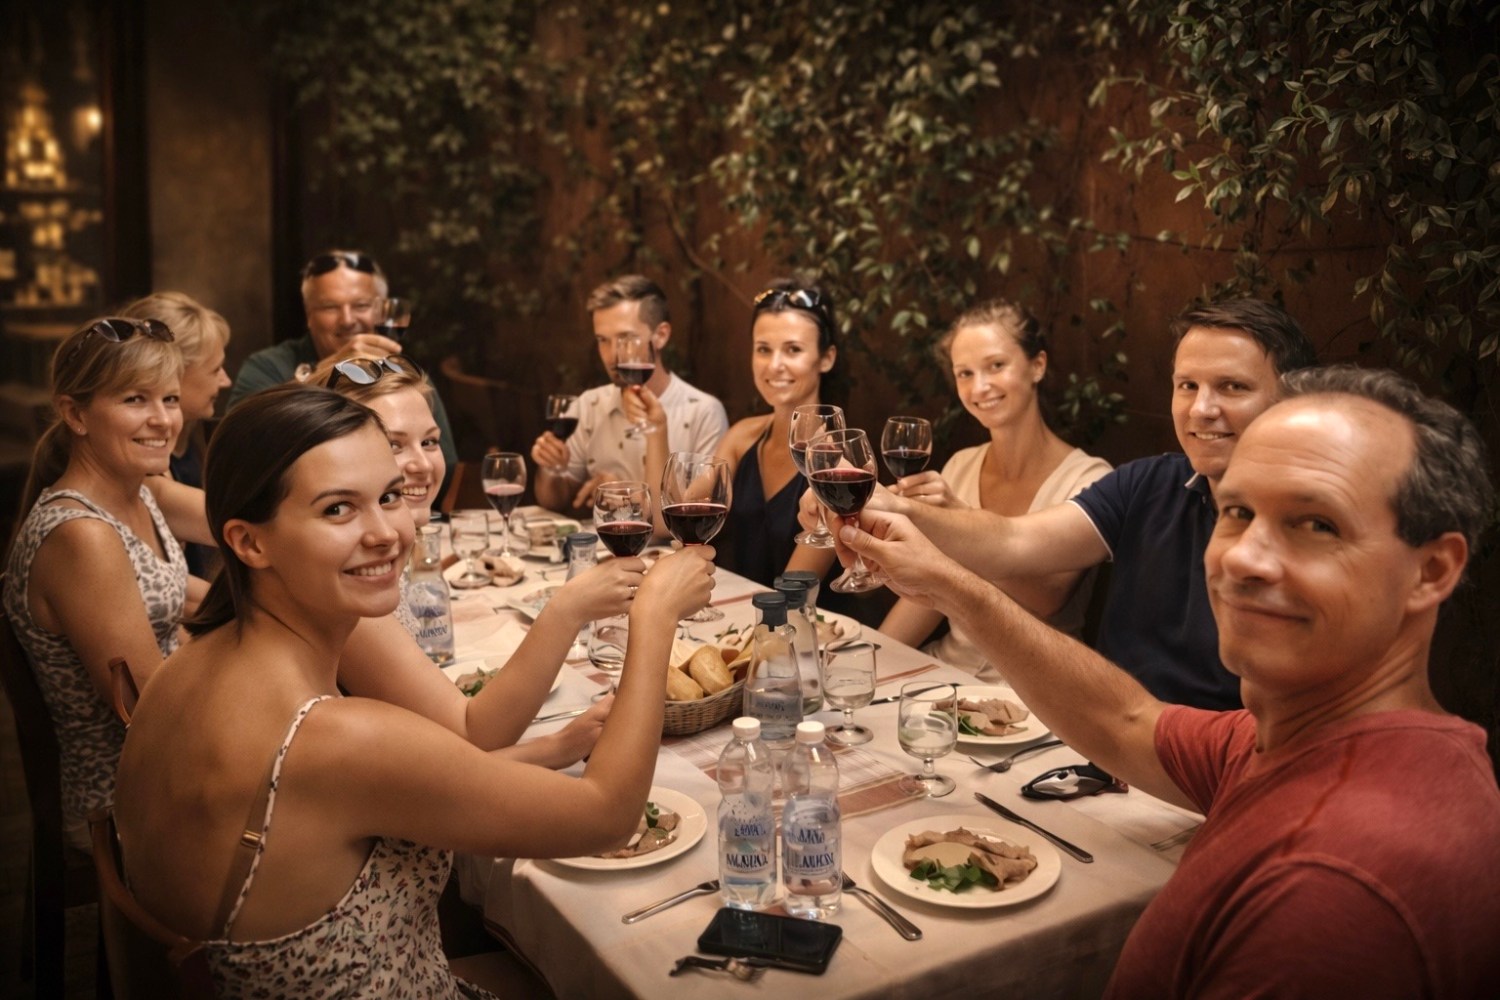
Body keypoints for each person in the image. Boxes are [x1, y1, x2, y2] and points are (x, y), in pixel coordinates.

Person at [835, 364, 1500, 998]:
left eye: (1316, 524)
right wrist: (950, 586)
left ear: (1433, 571)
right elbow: (1132, 723)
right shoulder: (1320, 741)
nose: (1244, 557)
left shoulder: (1328, 889)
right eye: (1236, 513)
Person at [114, 385, 715, 997]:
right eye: (337, 510)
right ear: (248, 542)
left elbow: (401, 782)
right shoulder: (336, 738)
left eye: (390, 496)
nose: (387, 533)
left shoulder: (192, 660)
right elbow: (608, 818)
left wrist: (551, 748)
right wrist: (656, 615)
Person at [807, 298, 1317, 708]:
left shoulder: (1312, 529)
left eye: (1232, 386)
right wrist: (892, 507)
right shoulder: (1148, 482)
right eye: (1187, 385)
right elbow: (1013, 539)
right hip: (1112, 743)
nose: (1203, 409)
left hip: (1191, 759)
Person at [306, 349, 638, 766]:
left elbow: (423, 746)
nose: (424, 464)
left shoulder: (381, 554)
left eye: (429, 441)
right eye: (393, 445)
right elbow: (472, 737)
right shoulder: (348, 583)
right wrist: (567, 609)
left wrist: (556, 746)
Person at [2, 317, 192, 850]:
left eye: (171, 399)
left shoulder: (134, 491)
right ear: (75, 414)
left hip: (171, 763)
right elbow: (151, 710)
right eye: (136, 399)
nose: (162, 420)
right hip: (124, 799)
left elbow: (172, 604)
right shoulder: (80, 535)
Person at [876, 299, 1111, 678]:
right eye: (964, 373)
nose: (980, 387)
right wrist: (873, 660)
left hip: (1042, 688)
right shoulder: (961, 465)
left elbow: (1048, 598)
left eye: (996, 366)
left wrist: (959, 522)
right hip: (948, 672)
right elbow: (928, 595)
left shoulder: (1089, 478)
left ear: (1037, 365)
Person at [636, 278, 841, 590]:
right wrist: (657, 427)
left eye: (793, 349)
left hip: (818, 630)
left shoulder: (838, 464)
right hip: (745, 619)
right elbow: (669, 525)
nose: (774, 365)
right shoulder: (742, 437)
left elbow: (795, 591)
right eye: (763, 349)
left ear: (826, 358)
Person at [226, 248, 458, 474]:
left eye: (361, 305)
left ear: (382, 311)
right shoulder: (267, 366)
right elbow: (241, 450)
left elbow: (446, 465)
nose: (347, 320)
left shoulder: (402, 372)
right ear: (309, 315)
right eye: (330, 307)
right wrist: (330, 370)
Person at [531, 275, 727, 514]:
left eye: (626, 338)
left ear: (661, 335)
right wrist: (552, 469)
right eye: (603, 340)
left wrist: (626, 493)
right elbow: (554, 502)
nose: (613, 355)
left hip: (667, 551)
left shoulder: (704, 412)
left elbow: (695, 516)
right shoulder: (588, 406)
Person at [119, 291, 231, 579]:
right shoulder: (139, 468)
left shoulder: (192, 440)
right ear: (172, 373)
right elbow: (247, 526)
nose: (226, 380)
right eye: (216, 369)